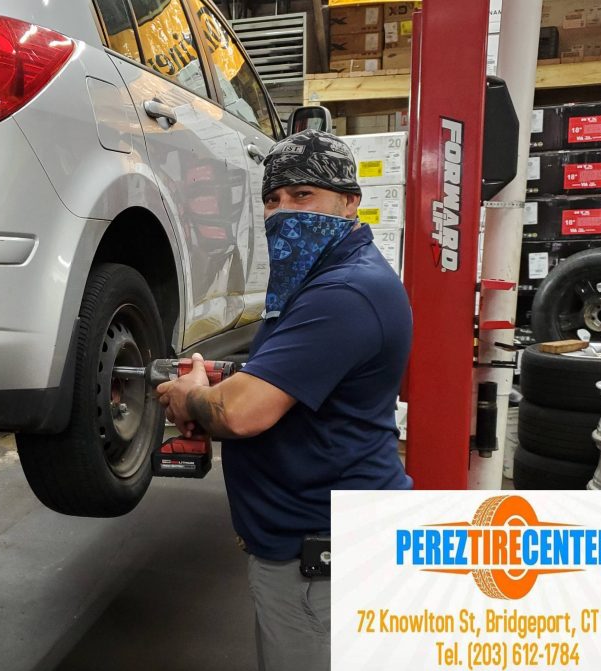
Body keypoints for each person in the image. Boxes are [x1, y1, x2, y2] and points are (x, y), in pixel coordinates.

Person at [156, 129, 413, 671]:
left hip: (322, 559)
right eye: (272, 200)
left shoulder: (345, 292)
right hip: (309, 546)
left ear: (350, 202)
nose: (283, 212)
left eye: (303, 195)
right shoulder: (315, 280)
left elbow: (241, 414)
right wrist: (235, 381)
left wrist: (191, 398)